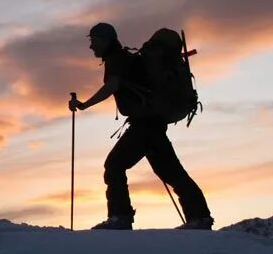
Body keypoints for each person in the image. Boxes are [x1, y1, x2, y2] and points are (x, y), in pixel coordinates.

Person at [68, 23, 213, 230]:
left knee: (115, 165)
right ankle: (200, 217)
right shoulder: (126, 58)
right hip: (153, 123)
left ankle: (120, 217)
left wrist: (84, 105)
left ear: (106, 40)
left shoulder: (115, 59)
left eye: (94, 41)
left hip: (144, 125)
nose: (92, 46)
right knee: (171, 172)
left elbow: (112, 86)